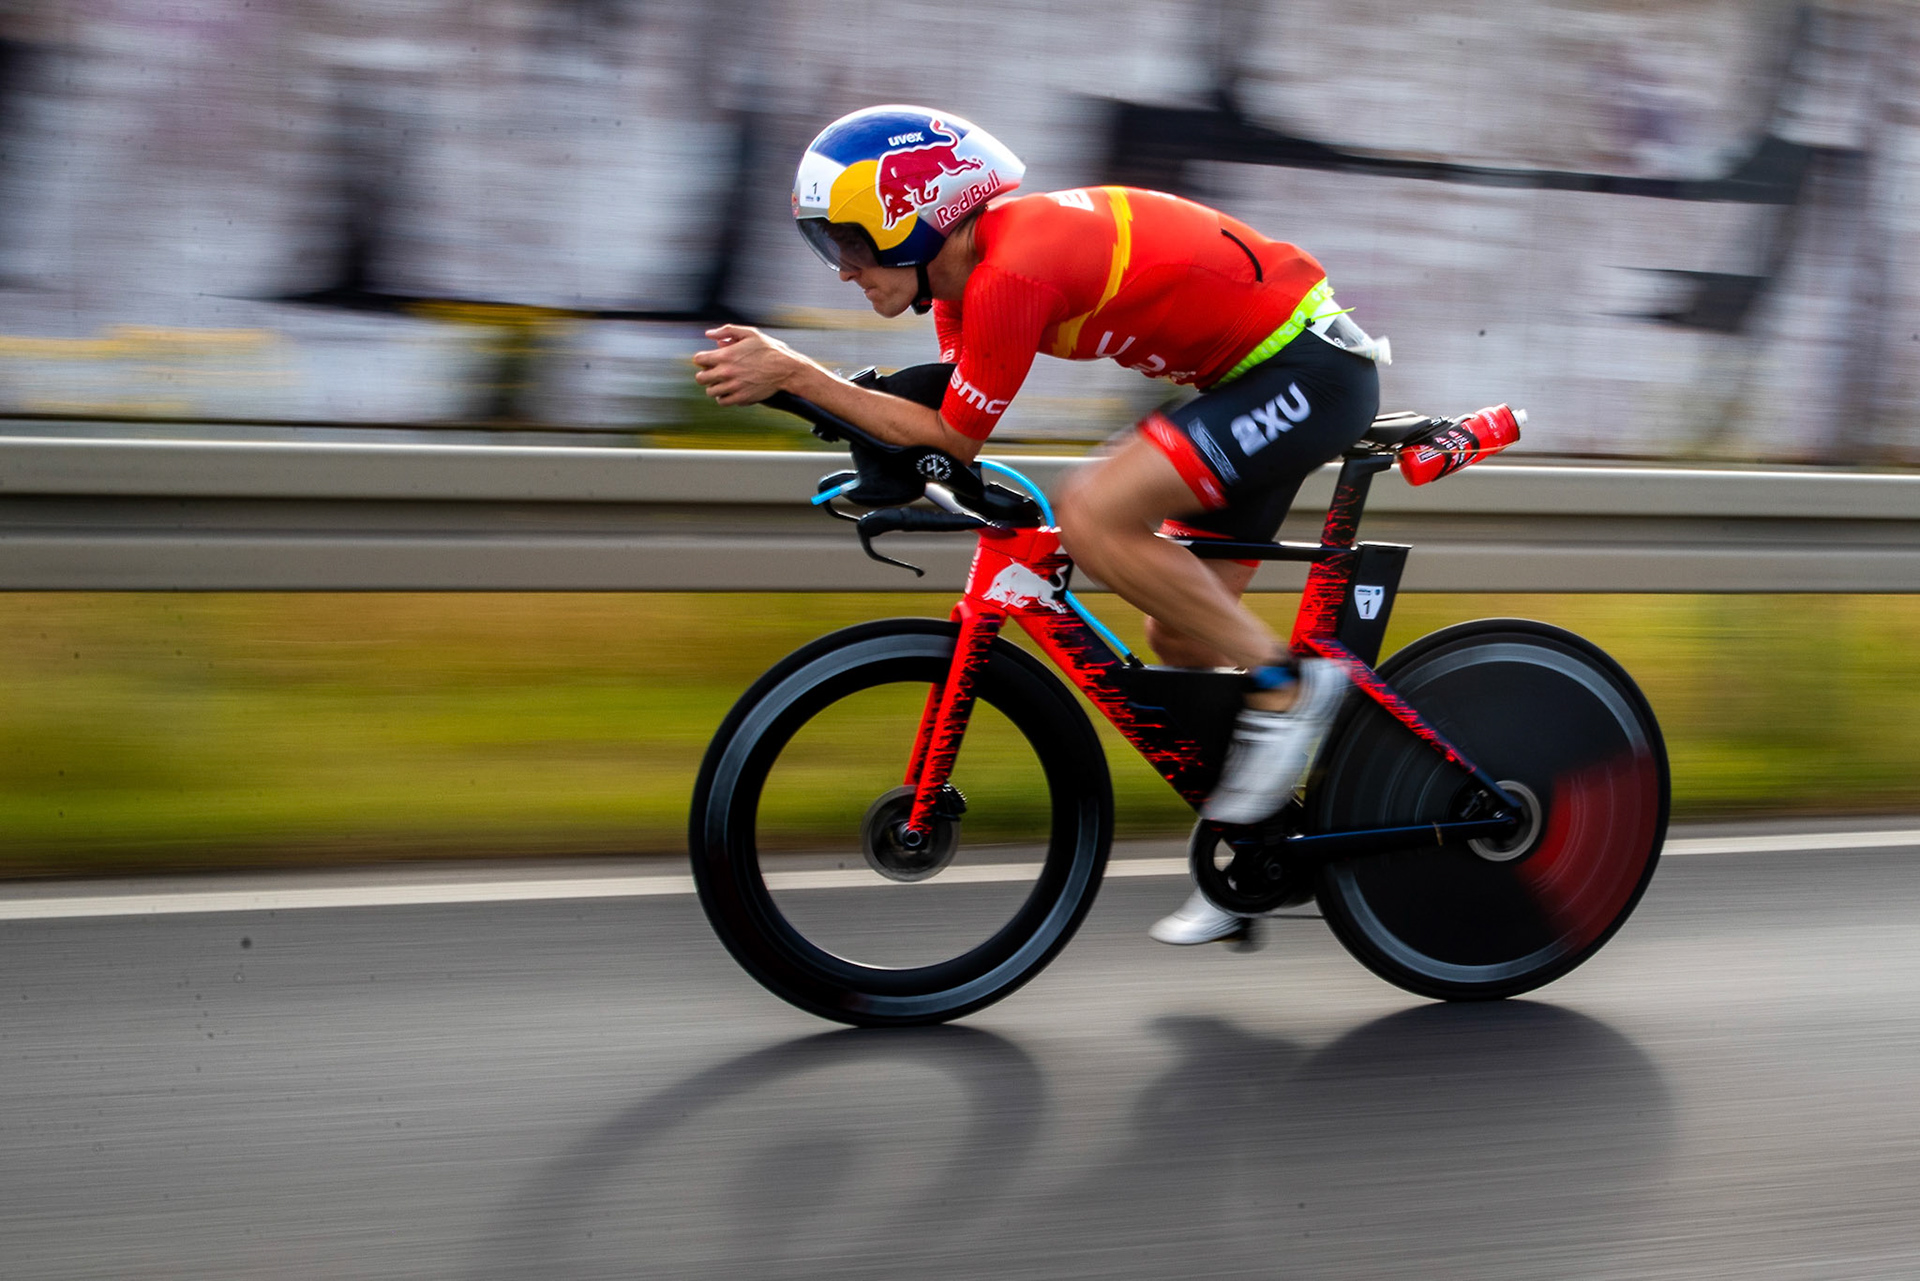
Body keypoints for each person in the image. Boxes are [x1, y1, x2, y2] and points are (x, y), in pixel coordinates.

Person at [692, 105, 1386, 946]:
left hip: (1307, 371)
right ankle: (1265, 849)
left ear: (913, 212)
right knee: (1183, 637)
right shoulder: (964, 288)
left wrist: (799, 374)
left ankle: (1293, 686)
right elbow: (934, 418)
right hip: (1252, 380)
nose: (844, 270)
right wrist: (844, 425)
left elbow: (952, 436)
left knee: (1093, 511)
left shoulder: (1012, 269)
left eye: (848, 241)